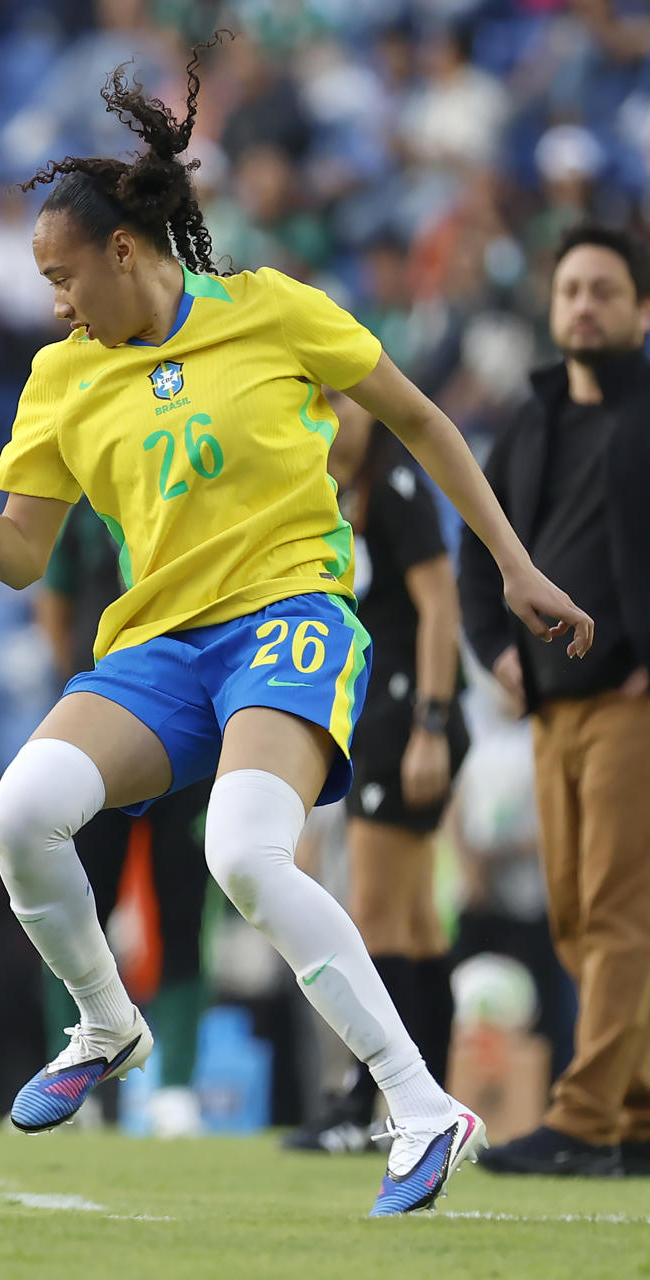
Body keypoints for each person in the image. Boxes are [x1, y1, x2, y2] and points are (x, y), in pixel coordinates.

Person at [0, 39, 592, 1216]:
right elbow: (25, 558)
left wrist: (516, 565)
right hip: (159, 648)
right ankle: (105, 1024)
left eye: (63, 274)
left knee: (240, 852)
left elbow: (423, 422)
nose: (52, 299)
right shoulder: (62, 379)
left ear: (126, 250)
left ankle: (422, 1104)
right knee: (22, 811)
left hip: (291, 616)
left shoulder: (271, 312)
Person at [458, 225, 650, 1178]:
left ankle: (583, 1117)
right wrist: (496, 651)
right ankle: (639, 1117)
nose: (583, 304)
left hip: (630, 702)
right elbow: (476, 551)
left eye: (605, 290)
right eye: (571, 287)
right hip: (550, 708)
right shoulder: (530, 424)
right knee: (575, 916)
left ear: (642, 311)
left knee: (614, 915)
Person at [283, 390, 470, 1155]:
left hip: (404, 715)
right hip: (386, 715)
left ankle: (372, 1101)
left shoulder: (394, 485)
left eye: (337, 402)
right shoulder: (347, 489)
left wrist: (431, 720)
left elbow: (439, 605)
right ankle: (427, 1099)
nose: (328, 419)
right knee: (418, 925)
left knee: (378, 914)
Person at [35, 501, 211, 1138]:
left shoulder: (194, 474)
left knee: (184, 904)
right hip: (103, 730)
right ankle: (76, 1075)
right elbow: (55, 602)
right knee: (76, 904)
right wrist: (79, 691)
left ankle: (176, 1088)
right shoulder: (85, 495)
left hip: (188, 726)